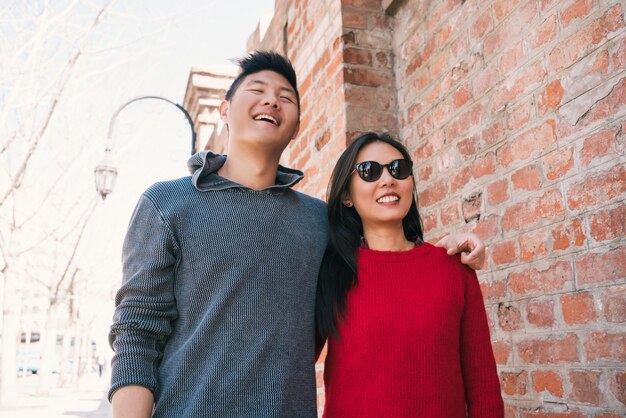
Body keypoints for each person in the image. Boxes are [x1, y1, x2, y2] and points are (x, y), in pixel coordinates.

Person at [108, 51, 486, 418]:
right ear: (225, 110)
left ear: (296, 128)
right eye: (257, 90)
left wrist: (449, 249)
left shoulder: (317, 220)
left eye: (285, 97)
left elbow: (388, 261)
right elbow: (137, 331)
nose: (272, 100)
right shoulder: (166, 204)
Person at [316, 132, 504, 417]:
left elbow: (483, 385)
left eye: (398, 169)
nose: (388, 179)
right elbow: (289, 361)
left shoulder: (453, 268)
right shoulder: (330, 272)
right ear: (346, 196)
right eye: (369, 171)